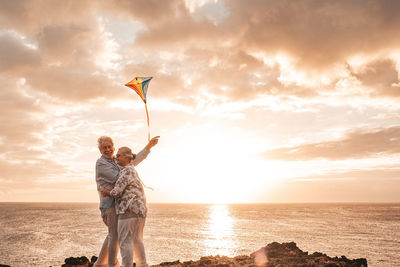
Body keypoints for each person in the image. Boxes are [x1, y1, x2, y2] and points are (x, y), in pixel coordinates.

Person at [94, 136, 159, 267]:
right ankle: (111, 264)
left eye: (109, 146)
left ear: (113, 146)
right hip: (110, 205)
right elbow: (119, 177)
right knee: (114, 236)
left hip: (121, 205)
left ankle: (101, 263)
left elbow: (131, 160)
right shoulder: (102, 163)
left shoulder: (117, 162)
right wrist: (129, 164)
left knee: (115, 236)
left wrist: (148, 147)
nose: (107, 149)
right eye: (104, 148)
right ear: (100, 150)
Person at [101, 146, 148, 267]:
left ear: (127, 158)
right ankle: (143, 265)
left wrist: (107, 192)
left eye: (119, 155)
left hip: (128, 210)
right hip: (140, 211)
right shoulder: (132, 169)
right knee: (137, 240)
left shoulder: (126, 170)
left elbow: (117, 191)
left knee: (125, 242)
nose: (116, 157)